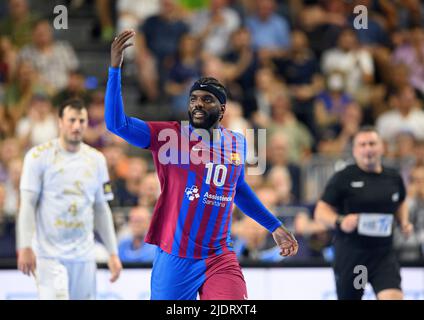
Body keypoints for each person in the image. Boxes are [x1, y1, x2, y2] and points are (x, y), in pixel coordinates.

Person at [105, 30, 298, 300]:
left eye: (207, 99)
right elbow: (117, 123)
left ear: (222, 110)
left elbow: (238, 189)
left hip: (218, 255)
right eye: (193, 98)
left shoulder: (237, 143)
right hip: (176, 256)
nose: (198, 104)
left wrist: (274, 226)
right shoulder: (170, 136)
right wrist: (115, 70)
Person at [16, 98, 122, 300]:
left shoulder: (97, 160)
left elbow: (102, 209)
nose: (77, 126)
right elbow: (27, 205)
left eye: (81, 121)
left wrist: (112, 252)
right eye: (71, 120)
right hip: (49, 255)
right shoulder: (38, 156)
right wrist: (24, 246)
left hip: (83, 255)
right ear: (60, 122)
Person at [314, 126, 413, 300]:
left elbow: (400, 201)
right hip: (353, 255)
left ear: (382, 147)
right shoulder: (343, 178)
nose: (368, 149)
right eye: (362, 144)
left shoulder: (393, 177)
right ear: (355, 150)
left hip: (383, 254)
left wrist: (404, 222)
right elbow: (320, 211)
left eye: (372, 143)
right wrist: (340, 221)